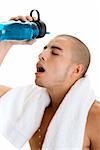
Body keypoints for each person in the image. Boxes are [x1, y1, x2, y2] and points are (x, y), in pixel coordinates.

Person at [0, 15, 100, 150]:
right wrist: (6, 42)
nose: (41, 55)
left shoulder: (95, 117)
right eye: (44, 49)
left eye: (55, 53)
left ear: (76, 70)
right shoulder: (31, 104)